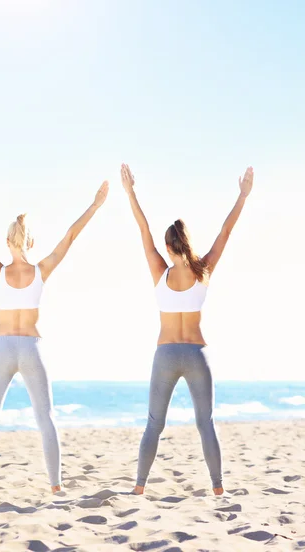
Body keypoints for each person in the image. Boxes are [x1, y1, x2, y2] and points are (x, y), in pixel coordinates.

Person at [0, 173, 109, 493]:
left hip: (2, 346)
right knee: (46, 418)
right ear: (30, 242)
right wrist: (95, 205)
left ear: (7, 242)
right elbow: (70, 236)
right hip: (31, 346)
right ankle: (56, 487)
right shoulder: (40, 270)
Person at [120, 163, 254, 496]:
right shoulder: (203, 270)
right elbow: (226, 232)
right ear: (187, 244)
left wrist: (131, 192)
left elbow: (143, 229)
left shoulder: (158, 269)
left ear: (168, 248)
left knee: (154, 423)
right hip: (197, 354)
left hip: (166, 354)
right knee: (205, 423)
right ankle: (218, 489)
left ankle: (139, 488)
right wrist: (243, 195)